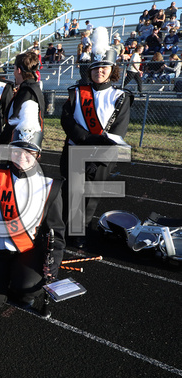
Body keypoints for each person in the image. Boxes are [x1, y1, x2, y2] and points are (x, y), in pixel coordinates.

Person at [0, 61, 65, 309]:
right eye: (18, 150)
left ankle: (21, 277)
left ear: (38, 155)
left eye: (30, 152)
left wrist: (52, 266)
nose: (23, 156)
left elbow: (56, 234)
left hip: (27, 249)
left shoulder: (50, 187)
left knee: (27, 293)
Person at [60, 26, 134, 248]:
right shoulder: (77, 92)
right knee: (72, 192)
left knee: (90, 198)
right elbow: (66, 120)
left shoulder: (121, 96)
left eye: (104, 67)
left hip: (101, 155)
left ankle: (81, 231)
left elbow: (118, 132)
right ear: (89, 70)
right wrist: (83, 138)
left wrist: (96, 156)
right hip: (75, 149)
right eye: (95, 68)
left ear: (112, 70)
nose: (99, 71)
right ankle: (66, 228)